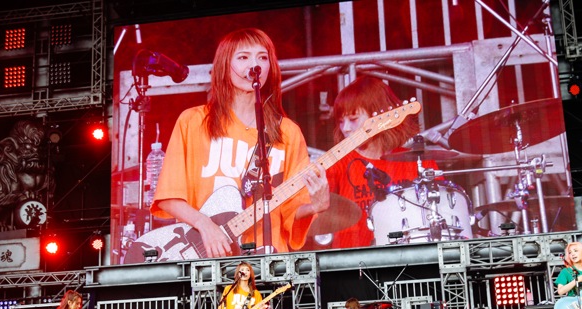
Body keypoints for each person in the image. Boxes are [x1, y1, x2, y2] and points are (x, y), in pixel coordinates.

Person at [151, 28, 329, 258]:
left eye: (262, 58)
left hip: (269, 258)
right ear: (225, 65)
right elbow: (168, 197)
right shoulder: (193, 122)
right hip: (209, 258)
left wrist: (316, 206)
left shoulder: (288, 133)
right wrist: (205, 225)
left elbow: (291, 210)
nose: (254, 65)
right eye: (243, 57)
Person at [325, 76, 441, 249]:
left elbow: (442, 212)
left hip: (413, 253)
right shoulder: (337, 164)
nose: (345, 128)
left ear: (379, 116)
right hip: (353, 258)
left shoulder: (417, 161)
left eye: (353, 119)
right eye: (341, 121)